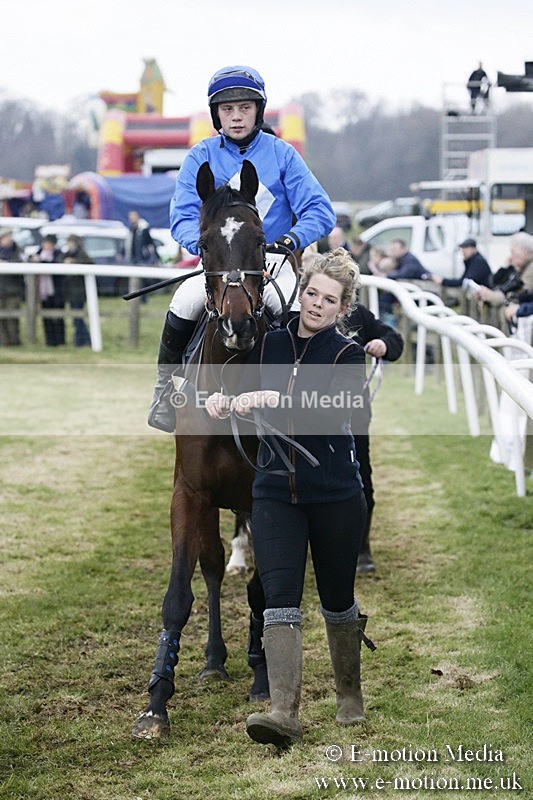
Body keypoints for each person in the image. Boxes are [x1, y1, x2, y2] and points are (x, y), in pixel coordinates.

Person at [206, 248, 374, 748]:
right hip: (275, 492)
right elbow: (240, 391)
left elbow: (336, 410)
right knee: (279, 598)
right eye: (311, 294)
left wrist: (279, 400)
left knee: (337, 600)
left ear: (343, 309)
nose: (316, 305)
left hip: (337, 496)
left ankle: (349, 693)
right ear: (301, 291)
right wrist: (222, 399)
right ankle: (283, 711)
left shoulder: (347, 355)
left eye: (329, 300)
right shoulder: (271, 344)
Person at [148, 65, 336, 432]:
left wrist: (290, 241)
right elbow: (182, 217)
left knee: (295, 309)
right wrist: (205, 246)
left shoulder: (282, 154)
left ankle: (305, 400)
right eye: (227, 109)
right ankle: (162, 392)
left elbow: (320, 210)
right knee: (186, 299)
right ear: (216, 114)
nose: (236, 116)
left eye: (245, 108)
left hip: (273, 260)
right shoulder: (199, 156)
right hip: (220, 262)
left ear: (258, 111)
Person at [344, 303, 404, 573]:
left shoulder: (357, 314)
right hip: (304, 408)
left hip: (352, 412)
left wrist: (382, 343)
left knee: (359, 476)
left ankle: (360, 547)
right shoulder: (299, 313)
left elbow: (394, 338)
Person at [474, 232, 533, 326]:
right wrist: (506, 267)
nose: (511, 256)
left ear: (524, 251)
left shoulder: (530, 267)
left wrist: (492, 296)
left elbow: (519, 293)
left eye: (513, 252)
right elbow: (494, 282)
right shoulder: (521, 265)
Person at [31, 233, 65, 347]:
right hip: (43, 291)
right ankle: (49, 341)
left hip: (56, 291)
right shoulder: (38, 253)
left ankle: (60, 340)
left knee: (58, 316)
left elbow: (56, 265)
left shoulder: (58, 254)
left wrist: (41, 261)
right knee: (46, 317)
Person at [62, 234, 92, 347]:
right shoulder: (67, 253)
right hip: (70, 291)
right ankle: (81, 340)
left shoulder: (81, 254)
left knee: (78, 317)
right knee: (76, 318)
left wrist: (74, 262)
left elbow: (90, 263)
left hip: (79, 292)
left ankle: (84, 340)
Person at [0, 228, 24, 346]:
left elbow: (21, 266)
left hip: (13, 290)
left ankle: (15, 341)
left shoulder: (17, 251)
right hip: (1, 289)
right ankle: (4, 341)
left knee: (12, 317)